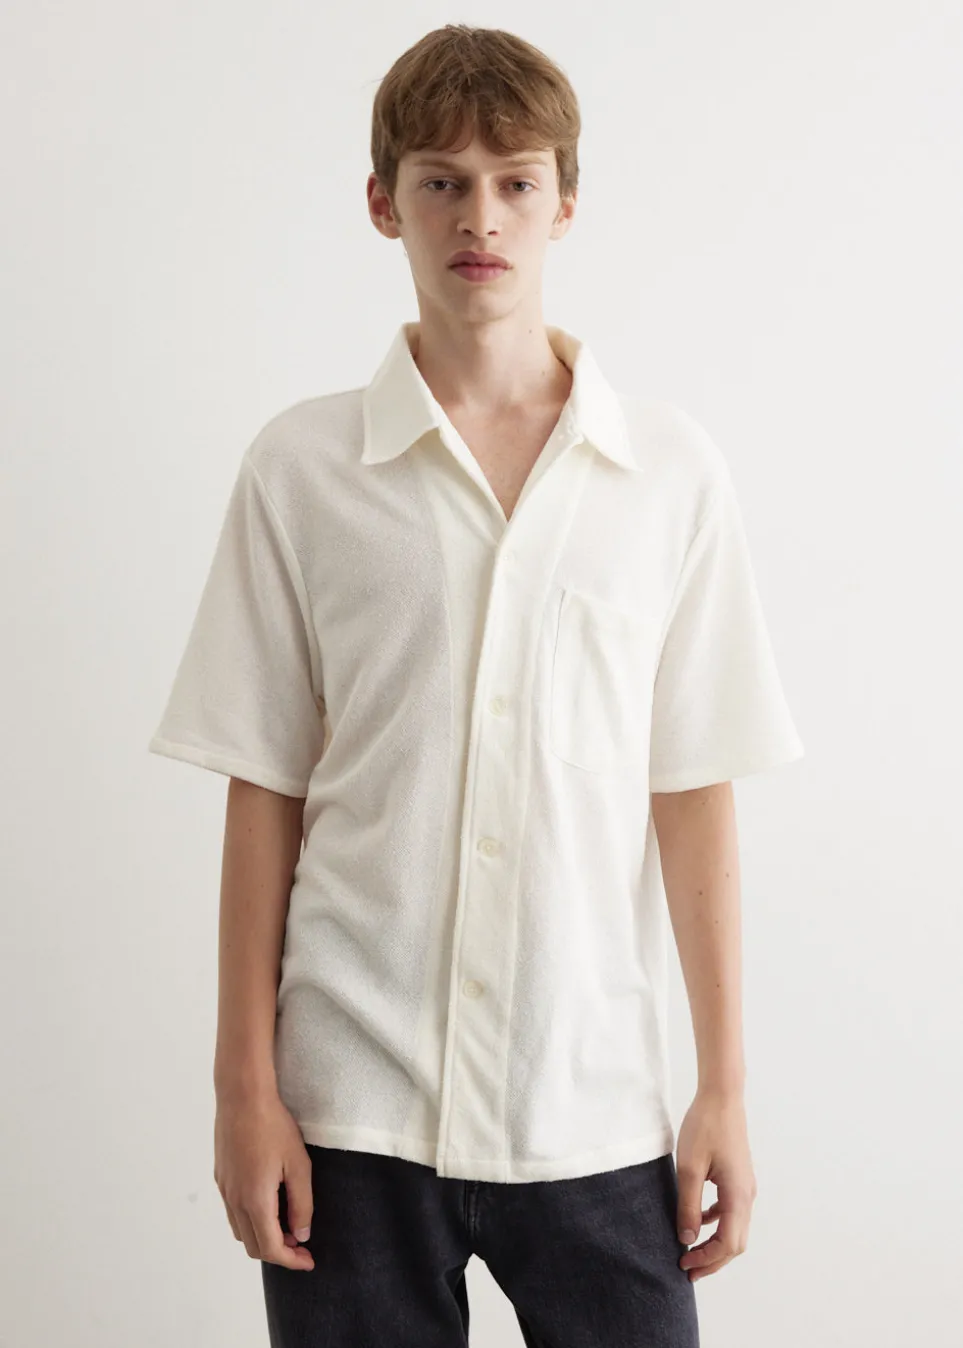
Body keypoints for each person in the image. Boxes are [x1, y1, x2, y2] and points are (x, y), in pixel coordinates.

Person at [147, 23, 804, 1348]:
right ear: (381, 201)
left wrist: (724, 1087)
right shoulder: (303, 470)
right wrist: (243, 1093)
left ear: (567, 201)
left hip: (591, 1105)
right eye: (440, 181)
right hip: (351, 1111)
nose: (480, 217)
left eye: (515, 181)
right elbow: (265, 791)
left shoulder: (667, 477)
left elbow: (691, 795)